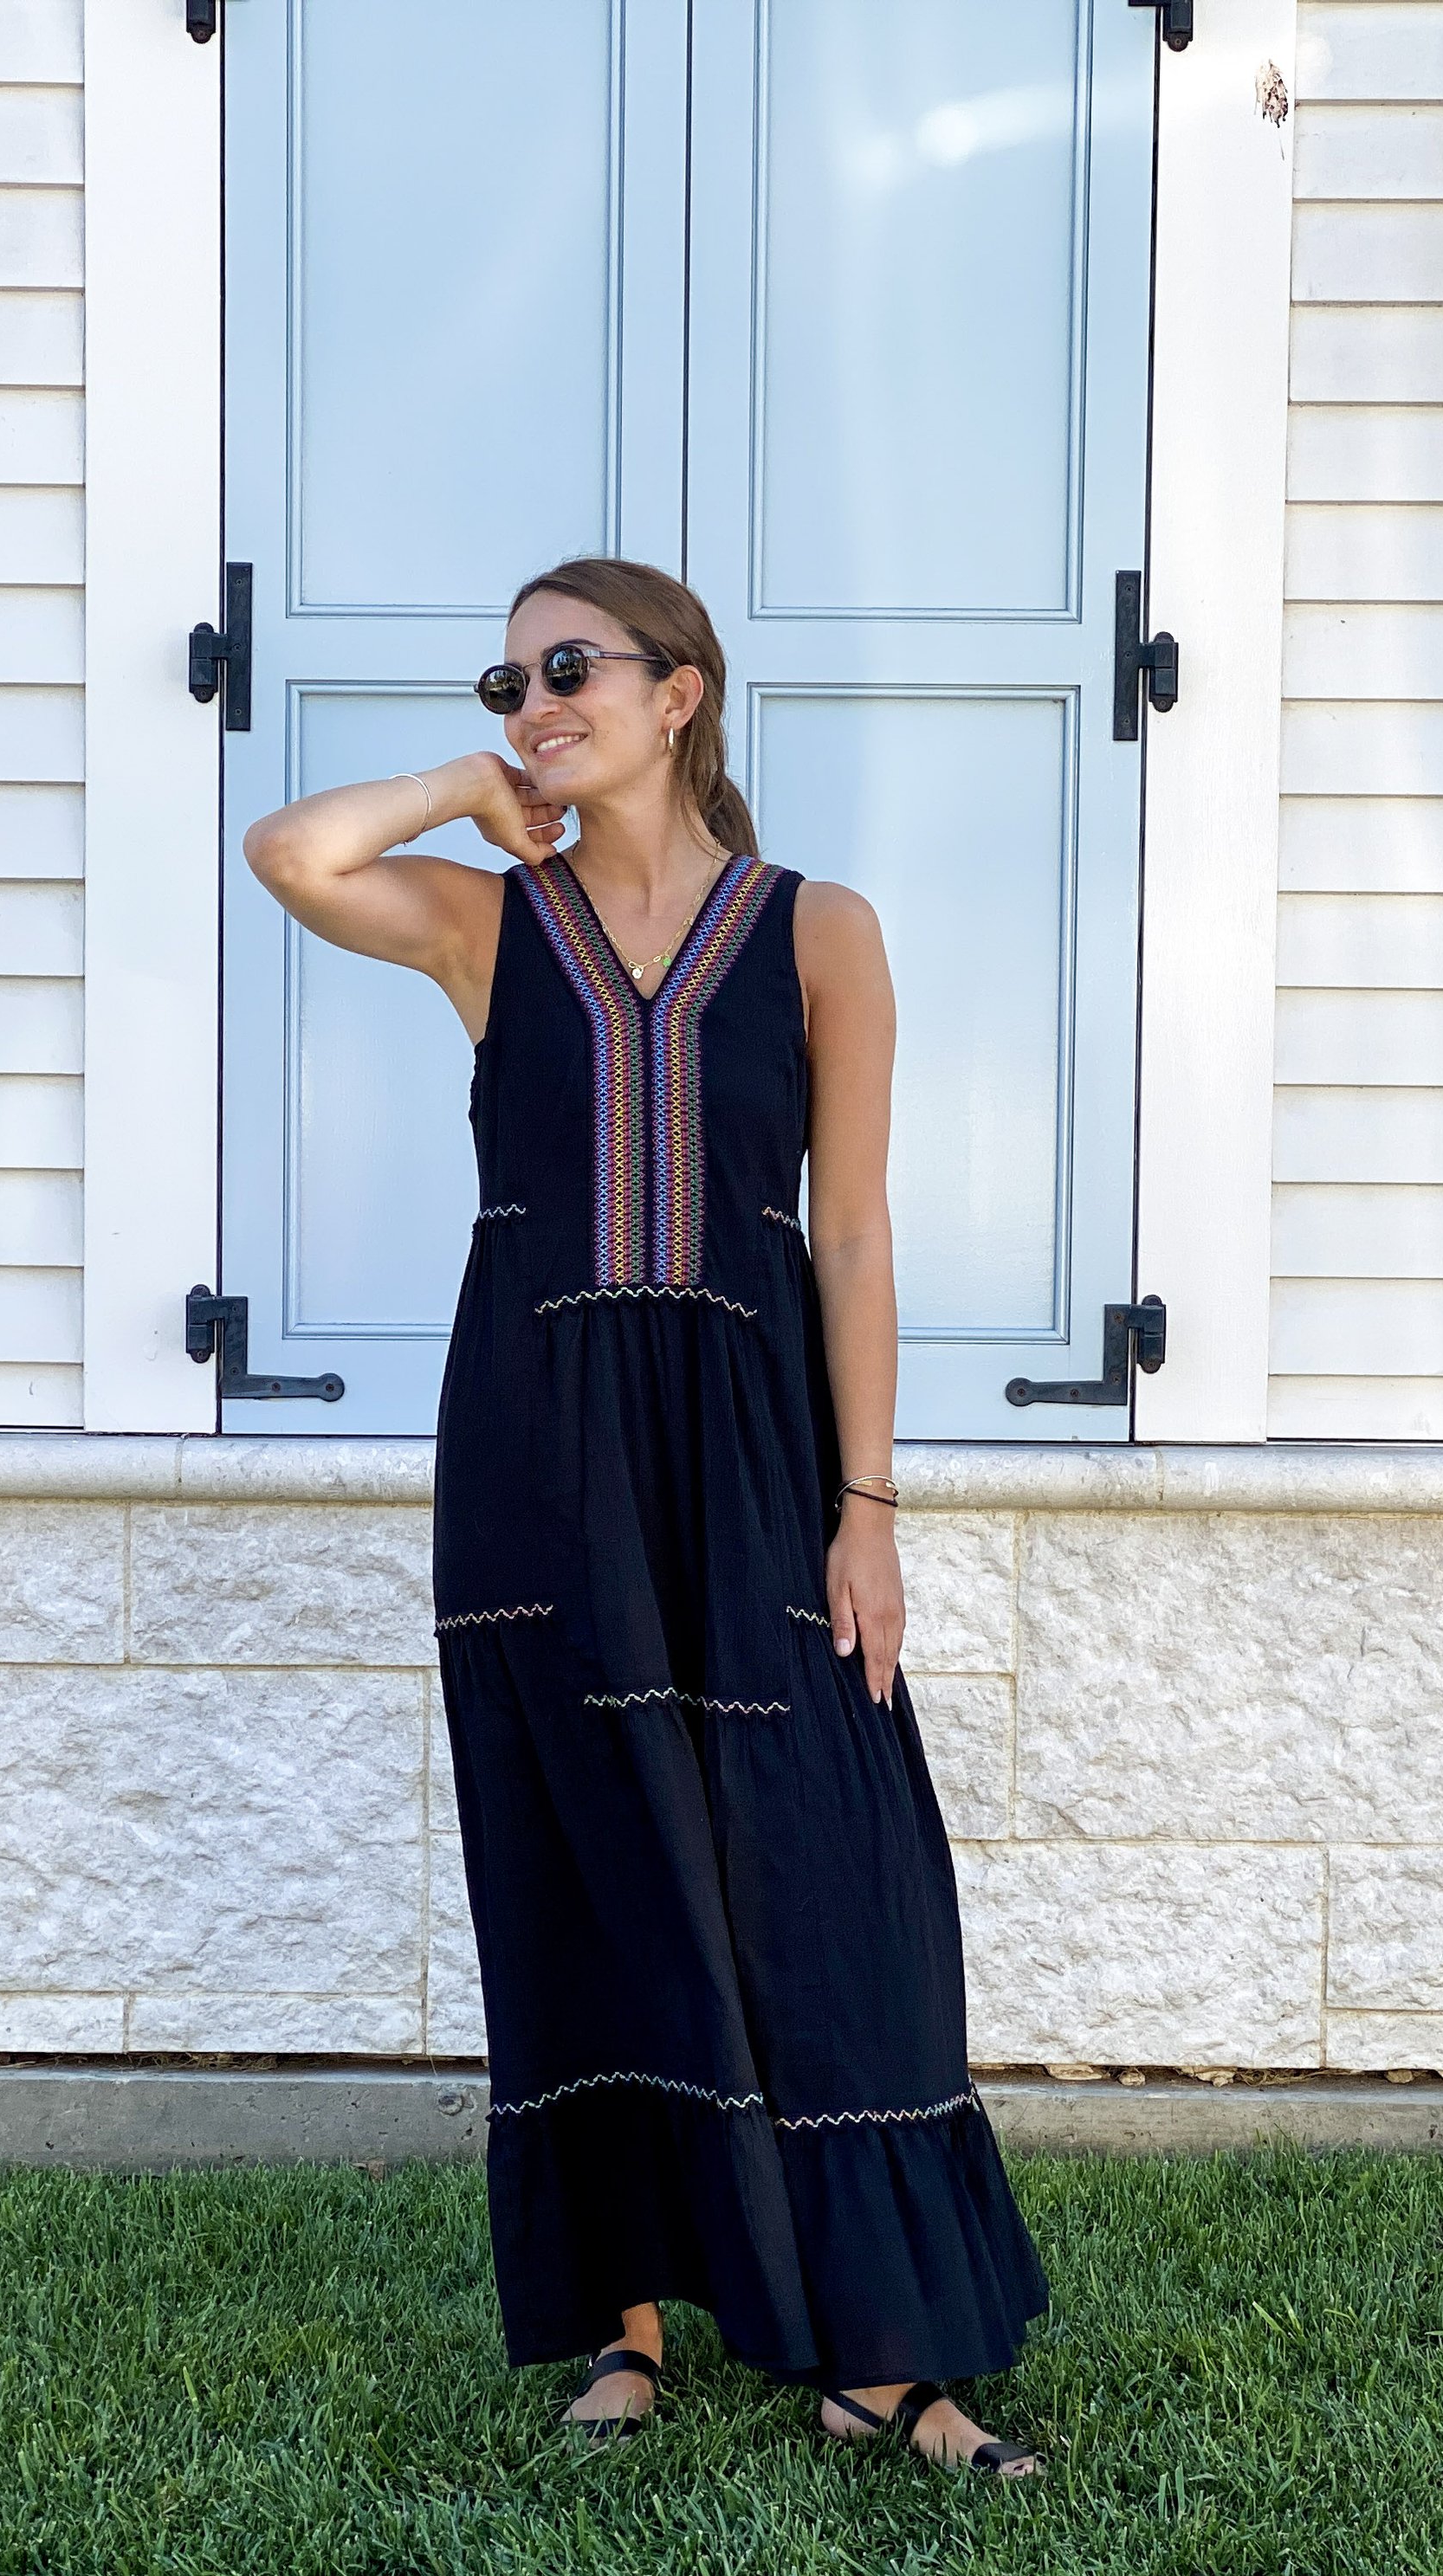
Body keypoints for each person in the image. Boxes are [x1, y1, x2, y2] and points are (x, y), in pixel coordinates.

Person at [243, 557, 1048, 2477]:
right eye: (512, 676)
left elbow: (847, 1234)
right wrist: (467, 777)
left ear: (680, 694)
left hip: (762, 1451)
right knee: (581, 1863)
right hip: (537, 1445)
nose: (537, 698)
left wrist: (871, 1508)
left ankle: (886, 2356)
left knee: (834, 1879)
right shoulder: (486, 929)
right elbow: (293, 850)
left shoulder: (820, 930)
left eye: (570, 668)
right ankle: (625, 2333)